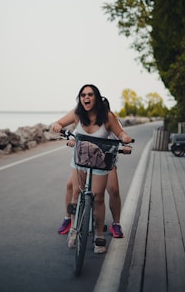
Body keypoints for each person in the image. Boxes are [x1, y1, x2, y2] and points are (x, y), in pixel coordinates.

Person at [52, 84, 132, 254]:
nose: (86, 98)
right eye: (83, 95)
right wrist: (57, 126)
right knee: (75, 192)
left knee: (99, 198)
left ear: (96, 97)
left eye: (90, 94)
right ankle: (73, 228)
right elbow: (59, 123)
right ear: (80, 98)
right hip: (80, 160)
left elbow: (121, 133)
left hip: (101, 162)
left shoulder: (108, 116)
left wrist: (126, 140)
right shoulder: (77, 113)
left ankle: (99, 235)